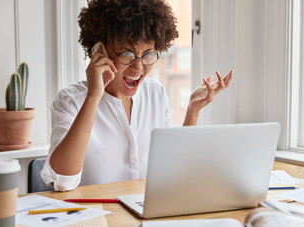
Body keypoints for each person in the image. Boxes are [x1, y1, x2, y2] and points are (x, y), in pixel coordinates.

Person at [41, 0, 234, 191]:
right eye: (127, 54)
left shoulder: (156, 94)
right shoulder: (71, 101)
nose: (139, 67)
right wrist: (94, 96)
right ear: (99, 51)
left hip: (143, 216)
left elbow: (171, 171)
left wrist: (193, 109)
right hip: (97, 218)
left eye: (148, 55)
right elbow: (62, 181)